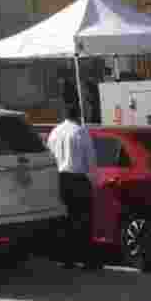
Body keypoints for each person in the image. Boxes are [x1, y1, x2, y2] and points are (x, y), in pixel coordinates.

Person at [47, 99, 101, 269]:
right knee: (83, 221)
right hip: (78, 180)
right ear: (78, 115)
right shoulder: (80, 132)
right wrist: (93, 181)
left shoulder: (54, 132)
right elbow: (91, 161)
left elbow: (49, 157)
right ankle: (87, 259)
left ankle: (66, 259)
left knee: (65, 220)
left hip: (60, 179)